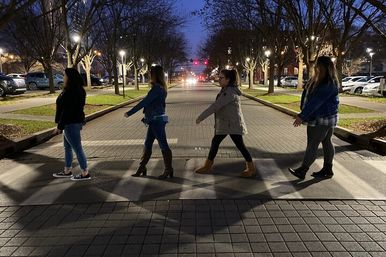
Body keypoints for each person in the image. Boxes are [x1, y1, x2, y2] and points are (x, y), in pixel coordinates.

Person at [195, 69, 256, 178]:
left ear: (228, 80)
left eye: (221, 78)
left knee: (239, 145)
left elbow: (216, 106)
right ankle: (208, 166)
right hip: (227, 124)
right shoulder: (226, 90)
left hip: (231, 124)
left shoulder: (229, 92)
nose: (219, 79)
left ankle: (251, 168)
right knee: (217, 142)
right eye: (219, 77)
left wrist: (201, 117)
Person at [289, 56, 339, 179]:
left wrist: (302, 116)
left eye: (318, 65)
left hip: (320, 119)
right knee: (327, 141)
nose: (315, 67)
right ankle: (328, 169)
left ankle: (303, 170)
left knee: (312, 143)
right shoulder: (323, 81)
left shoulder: (326, 83)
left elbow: (315, 102)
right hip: (326, 117)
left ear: (323, 67)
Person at [124, 65, 173, 179]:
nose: (149, 75)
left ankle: (168, 169)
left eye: (151, 74)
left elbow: (144, 102)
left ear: (155, 75)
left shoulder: (157, 89)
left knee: (163, 145)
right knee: (147, 145)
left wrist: (130, 112)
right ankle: (142, 167)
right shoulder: (161, 88)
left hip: (156, 121)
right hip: (154, 120)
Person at [53, 68, 90, 181]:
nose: (63, 77)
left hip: (70, 123)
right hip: (72, 122)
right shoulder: (76, 89)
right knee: (67, 147)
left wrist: (59, 126)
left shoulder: (72, 91)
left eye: (65, 75)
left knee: (77, 148)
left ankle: (85, 173)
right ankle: (67, 170)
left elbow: (67, 110)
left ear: (70, 77)